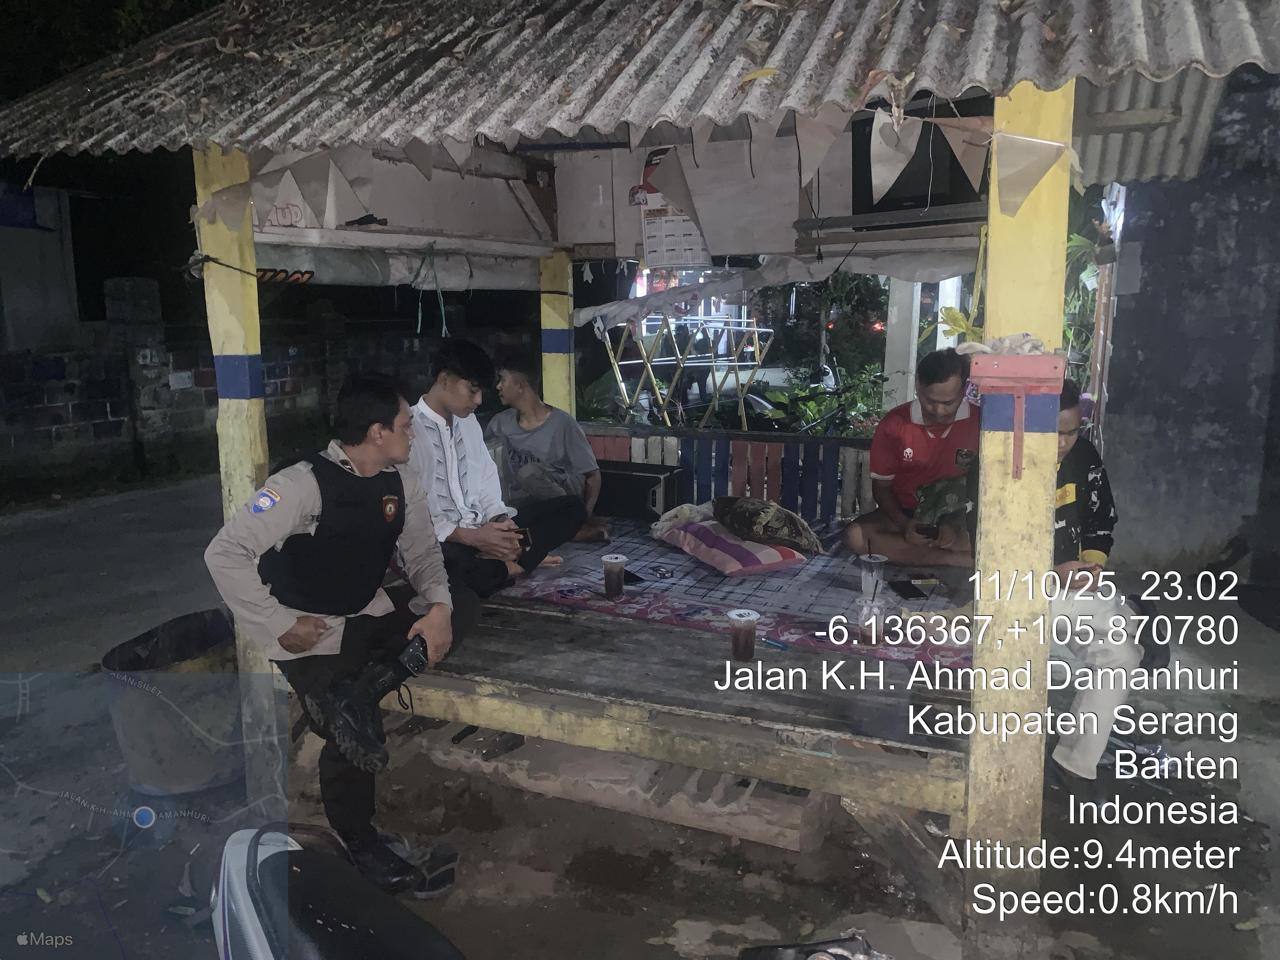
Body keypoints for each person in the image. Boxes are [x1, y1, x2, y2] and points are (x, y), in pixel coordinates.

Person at [205, 373, 467, 895]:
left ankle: (359, 693)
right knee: (351, 737)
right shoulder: (300, 484)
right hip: (310, 631)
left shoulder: (401, 480)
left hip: (364, 611)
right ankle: (360, 844)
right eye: (404, 425)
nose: (412, 433)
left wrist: (439, 607)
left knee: (465, 602)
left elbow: (422, 554)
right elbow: (223, 553)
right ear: (376, 432)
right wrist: (280, 624)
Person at [410, 339, 587, 599]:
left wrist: (500, 523)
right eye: (473, 391)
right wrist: (472, 537)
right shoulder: (408, 429)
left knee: (572, 508)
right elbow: (414, 514)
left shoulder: (468, 423)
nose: (479, 400)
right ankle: (517, 564)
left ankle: (505, 560)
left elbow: (486, 480)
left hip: (486, 531)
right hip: (450, 542)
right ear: (444, 380)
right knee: (450, 567)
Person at [1045, 378, 1139, 786]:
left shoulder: (1083, 457)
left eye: (1071, 432)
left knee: (1123, 653)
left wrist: (1090, 568)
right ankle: (1132, 614)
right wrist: (1053, 572)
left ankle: (1073, 763)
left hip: (1073, 587)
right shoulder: (1000, 459)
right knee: (1121, 629)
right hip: (1020, 588)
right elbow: (986, 545)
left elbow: (1101, 522)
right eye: (1054, 432)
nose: (1063, 442)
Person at [844, 348, 979, 565]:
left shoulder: (981, 423)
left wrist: (954, 524)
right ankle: (956, 559)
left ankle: (934, 555)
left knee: (987, 537)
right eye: (930, 400)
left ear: (964, 390)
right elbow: (882, 489)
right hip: (906, 514)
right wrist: (905, 525)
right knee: (856, 536)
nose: (939, 411)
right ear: (918, 386)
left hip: (961, 515)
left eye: (948, 403)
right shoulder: (894, 424)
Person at [487, 352, 609, 543]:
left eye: (502, 380)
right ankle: (567, 532)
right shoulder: (499, 424)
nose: (498, 386)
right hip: (525, 507)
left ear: (520, 385)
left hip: (566, 502)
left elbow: (593, 476)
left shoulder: (563, 424)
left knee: (528, 473)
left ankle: (573, 525)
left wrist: (584, 515)